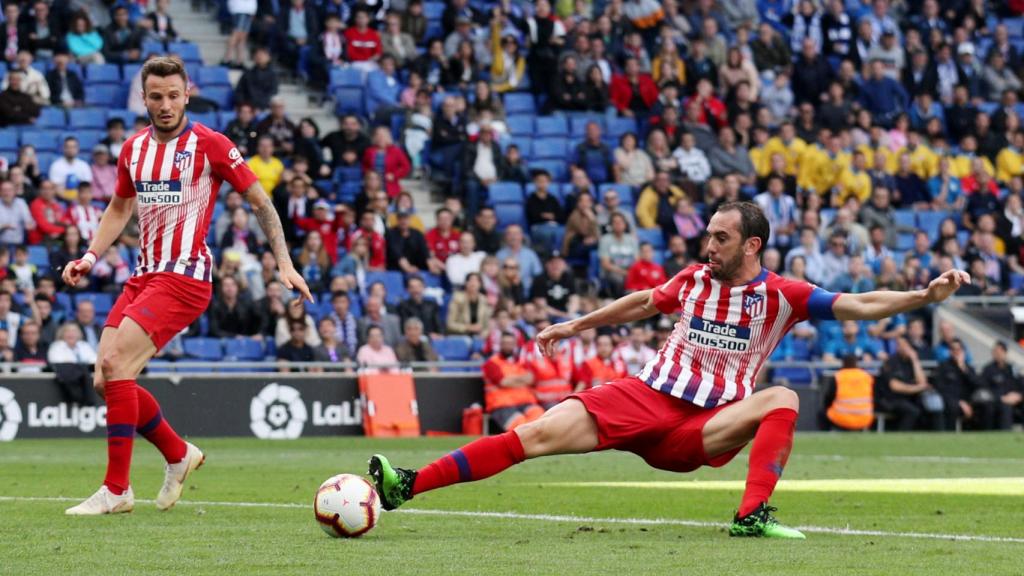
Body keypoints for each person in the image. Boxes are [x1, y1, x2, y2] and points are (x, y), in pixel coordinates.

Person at [368, 201, 970, 539]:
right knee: (533, 434)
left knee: (782, 396)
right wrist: (574, 325)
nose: (709, 246)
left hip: (701, 427)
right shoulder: (693, 279)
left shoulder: (782, 294)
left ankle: (751, 516)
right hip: (642, 396)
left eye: (721, 238)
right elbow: (641, 303)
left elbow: (858, 304)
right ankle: (406, 486)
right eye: (709, 235)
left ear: (752, 245)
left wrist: (923, 296)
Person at [60, 57, 312, 516]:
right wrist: (90, 256)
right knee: (104, 379)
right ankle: (178, 454)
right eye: (156, 96)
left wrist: (284, 262)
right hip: (143, 275)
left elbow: (260, 202)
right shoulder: (134, 148)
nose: (165, 104)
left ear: (187, 94)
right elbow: (119, 208)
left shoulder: (210, 144)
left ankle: (117, 489)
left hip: (185, 276)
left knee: (116, 364)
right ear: (144, 98)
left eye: (173, 95)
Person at [824, 355, 874, 430]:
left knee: (823, 414)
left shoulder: (838, 376)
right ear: (856, 364)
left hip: (841, 418)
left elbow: (829, 397)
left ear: (843, 363)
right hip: (864, 419)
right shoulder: (866, 376)